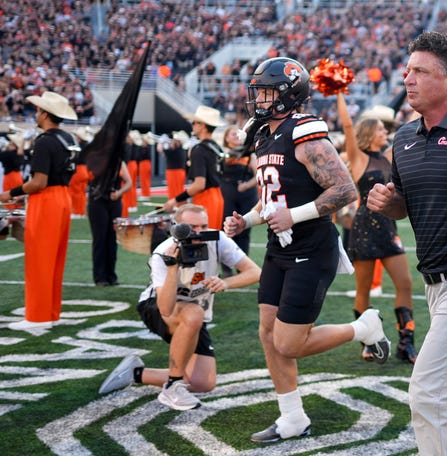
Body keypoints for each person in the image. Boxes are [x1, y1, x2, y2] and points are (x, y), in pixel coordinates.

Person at [224, 57, 391, 443]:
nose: (259, 99)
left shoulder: (305, 131)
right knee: (268, 333)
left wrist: (294, 216)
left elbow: (345, 190)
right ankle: (293, 418)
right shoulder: (265, 134)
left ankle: (363, 327)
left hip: (311, 248)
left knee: (289, 343)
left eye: (266, 92)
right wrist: (246, 222)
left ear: (288, 95)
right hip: (278, 247)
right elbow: (272, 198)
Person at [367, 31, 447, 456]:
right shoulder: (402, 138)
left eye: (420, 71)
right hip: (434, 283)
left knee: (429, 393)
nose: (408, 78)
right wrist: (390, 202)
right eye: (407, 70)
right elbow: (405, 204)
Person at [98, 203, 261, 411]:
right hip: (157, 307)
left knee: (203, 382)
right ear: (176, 228)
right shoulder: (162, 253)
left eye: (204, 226)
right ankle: (172, 386)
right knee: (194, 314)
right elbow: (165, 308)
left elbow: (255, 272)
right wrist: (173, 268)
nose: (199, 232)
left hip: (193, 312)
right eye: (192, 227)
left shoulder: (217, 239)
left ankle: (137, 373)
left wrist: (226, 283)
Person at [337, 92, 415, 363]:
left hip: (387, 225)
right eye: (381, 129)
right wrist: (338, 91)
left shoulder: (389, 156)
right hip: (363, 228)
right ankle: (368, 343)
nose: (386, 132)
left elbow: (413, 124)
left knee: (404, 283)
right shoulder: (358, 158)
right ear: (370, 133)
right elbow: (348, 126)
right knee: (364, 289)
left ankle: (407, 343)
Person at [0, 91, 79, 330]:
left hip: (46, 199)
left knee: (39, 258)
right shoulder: (67, 138)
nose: (35, 114)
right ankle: (51, 312)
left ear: (44, 113)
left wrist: (10, 194)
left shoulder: (44, 141)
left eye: (37, 110)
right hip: (63, 197)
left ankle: (37, 316)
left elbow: (39, 182)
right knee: (55, 258)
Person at [163, 105, 226, 230]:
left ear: (202, 125)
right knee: (213, 239)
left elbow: (199, 184)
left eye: (194, 122)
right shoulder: (216, 147)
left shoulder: (199, 150)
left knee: (202, 241)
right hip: (218, 197)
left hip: (206, 198)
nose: (192, 125)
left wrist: (175, 200)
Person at [220, 124, 258, 276]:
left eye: (238, 134)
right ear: (226, 138)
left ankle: (242, 266)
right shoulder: (221, 154)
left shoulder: (250, 154)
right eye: (232, 134)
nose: (236, 136)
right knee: (228, 230)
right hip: (227, 194)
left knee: (244, 229)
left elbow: (258, 176)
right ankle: (226, 266)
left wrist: (246, 185)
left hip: (247, 194)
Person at [87, 159, 132, 287]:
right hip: (97, 201)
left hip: (114, 201)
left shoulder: (119, 162)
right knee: (100, 239)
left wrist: (118, 193)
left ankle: (111, 275)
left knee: (112, 239)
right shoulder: (95, 160)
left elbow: (129, 182)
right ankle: (100, 277)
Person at [156, 131, 188, 201]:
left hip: (174, 172)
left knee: (174, 191)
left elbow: (160, 149)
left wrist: (161, 142)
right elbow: (165, 153)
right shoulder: (179, 150)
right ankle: (176, 206)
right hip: (177, 172)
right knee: (176, 190)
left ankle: (176, 206)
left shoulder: (176, 151)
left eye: (174, 140)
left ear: (178, 142)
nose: (172, 141)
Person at [69, 127, 92, 218]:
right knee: (82, 192)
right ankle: (81, 211)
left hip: (78, 170)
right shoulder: (87, 145)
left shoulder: (79, 146)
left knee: (75, 192)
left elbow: (74, 158)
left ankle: (76, 212)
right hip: (85, 170)